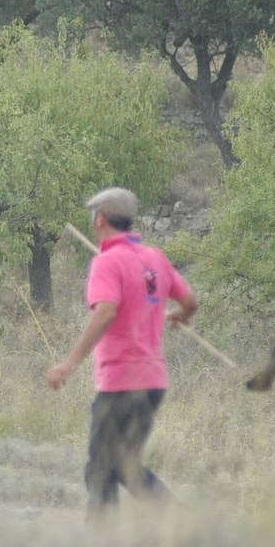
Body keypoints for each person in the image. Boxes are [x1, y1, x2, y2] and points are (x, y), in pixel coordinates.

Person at [45, 187, 200, 516]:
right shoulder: (154, 258)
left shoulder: (107, 261)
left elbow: (106, 312)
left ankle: (107, 544)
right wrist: (177, 316)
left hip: (120, 383)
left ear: (100, 219)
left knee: (102, 468)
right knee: (120, 465)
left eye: (92, 217)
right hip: (153, 383)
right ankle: (176, 523)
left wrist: (69, 363)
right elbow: (190, 302)